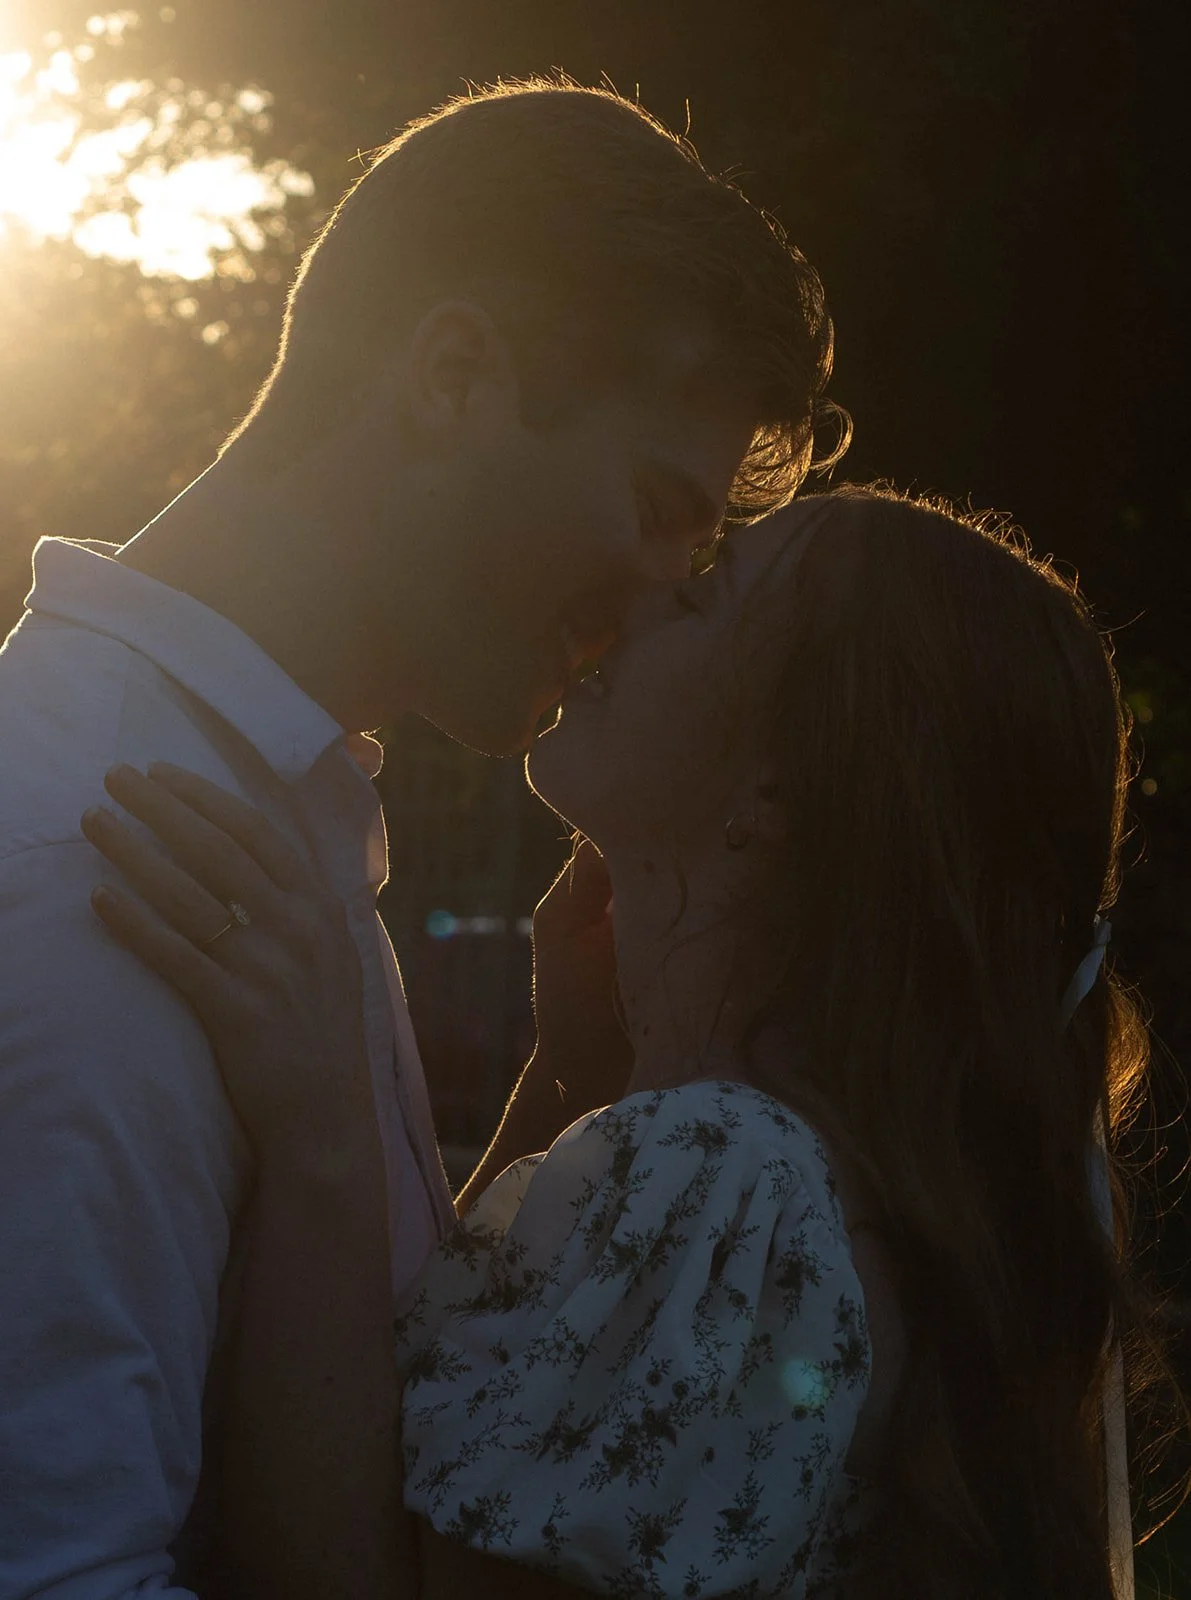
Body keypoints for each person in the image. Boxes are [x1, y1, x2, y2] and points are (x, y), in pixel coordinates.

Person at [0, 80, 844, 1599]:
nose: (665, 597)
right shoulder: (99, 862)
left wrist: (556, 1082)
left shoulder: (260, 807)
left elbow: (346, 1414)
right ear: (453, 373)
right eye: (661, 509)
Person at [80, 485, 1190, 1599]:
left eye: (702, 592)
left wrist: (316, 1121)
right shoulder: (738, 1168)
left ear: (774, 787)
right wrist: (568, 1077)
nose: (634, 598)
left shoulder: (723, 1175)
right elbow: (448, 1426)